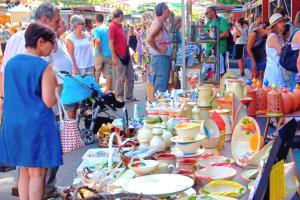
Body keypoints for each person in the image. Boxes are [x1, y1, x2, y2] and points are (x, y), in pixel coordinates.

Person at [0, 3, 62, 198]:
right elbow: (48, 101)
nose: (53, 50)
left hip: (13, 122)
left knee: (24, 169)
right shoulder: (44, 67)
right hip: (35, 124)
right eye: (52, 44)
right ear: (41, 42)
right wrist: (56, 87)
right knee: (38, 172)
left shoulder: (10, 63)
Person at [109, 9, 136, 102]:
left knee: (131, 76)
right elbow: (111, 43)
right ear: (120, 15)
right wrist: (114, 57)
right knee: (121, 77)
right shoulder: (112, 26)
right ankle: (119, 96)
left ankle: (129, 95)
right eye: (122, 15)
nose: (123, 17)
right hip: (119, 55)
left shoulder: (120, 26)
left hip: (126, 54)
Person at [147, 3, 172, 93]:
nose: (169, 11)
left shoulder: (161, 23)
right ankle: (157, 106)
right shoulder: (158, 23)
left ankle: (158, 105)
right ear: (163, 10)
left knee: (162, 86)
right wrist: (159, 49)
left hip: (162, 59)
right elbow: (149, 39)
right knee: (160, 87)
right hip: (160, 59)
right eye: (167, 9)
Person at [263, 13, 287, 88]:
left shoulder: (277, 36)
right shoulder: (273, 37)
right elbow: (283, 53)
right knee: (274, 95)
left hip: (277, 70)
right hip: (274, 72)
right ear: (276, 24)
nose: (284, 24)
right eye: (282, 22)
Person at [205, 6, 229, 75]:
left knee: (221, 72)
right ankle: (213, 85)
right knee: (209, 72)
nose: (206, 15)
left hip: (220, 50)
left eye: (207, 13)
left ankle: (221, 85)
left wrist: (215, 37)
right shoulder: (208, 23)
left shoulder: (222, 20)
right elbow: (206, 34)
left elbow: (226, 34)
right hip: (209, 51)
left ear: (212, 12)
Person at [92, 14, 113, 91]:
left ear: (96, 20)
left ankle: (97, 92)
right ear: (103, 20)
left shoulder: (96, 30)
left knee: (97, 74)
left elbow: (97, 41)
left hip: (99, 54)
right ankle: (108, 91)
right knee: (108, 74)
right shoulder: (108, 29)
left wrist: (100, 51)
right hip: (108, 54)